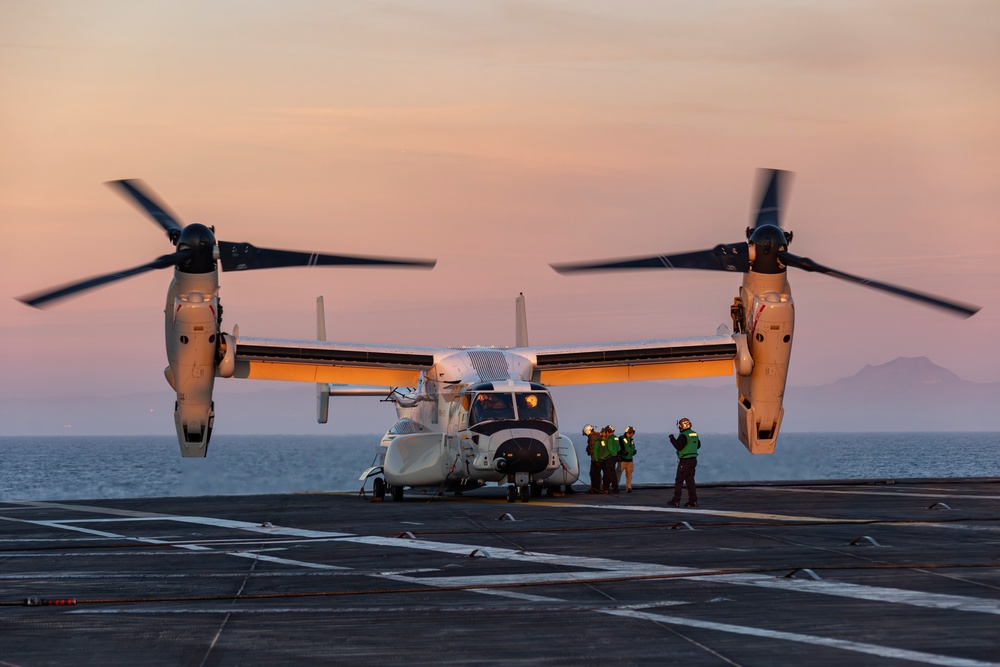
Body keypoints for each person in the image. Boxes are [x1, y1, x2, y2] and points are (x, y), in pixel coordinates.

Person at [668, 417, 700, 507]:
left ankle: (676, 500)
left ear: (682, 426)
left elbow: (678, 446)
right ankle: (693, 501)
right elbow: (698, 445)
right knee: (690, 481)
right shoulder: (694, 434)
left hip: (685, 460)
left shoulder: (684, 435)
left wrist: (672, 439)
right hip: (693, 460)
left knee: (679, 480)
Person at [595, 425, 620, 494]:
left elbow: (609, 448)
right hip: (614, 458)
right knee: (611, 473)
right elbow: (619, 448)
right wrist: (615, 454)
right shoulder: (616, 438)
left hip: (609, 458)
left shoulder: (609, 439)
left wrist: (611, 454)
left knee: (610, 474)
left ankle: (615, 489)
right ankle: (607, 488)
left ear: (608, 431)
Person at [617, 426, 637, 494]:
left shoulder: (631, 440)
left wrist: (633, 452)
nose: (633, 434)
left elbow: (632, 447)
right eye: (632, 432)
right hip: (622, 460)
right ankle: (615, 487)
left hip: (630, 461)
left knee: (629, 475)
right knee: (618, 474)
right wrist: (622, 452)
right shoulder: (621, 438)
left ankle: (629, 487)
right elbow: (618, 448)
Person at [584, 424, 602, 494]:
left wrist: (595, 459)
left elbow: (592, 450)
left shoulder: (593, 438)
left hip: (595, 459)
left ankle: (596, 489)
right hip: (598, 458)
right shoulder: (597, 436)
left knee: (594, 474)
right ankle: (596, 488)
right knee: (596, 474)